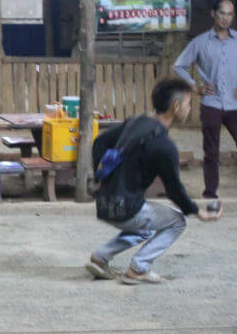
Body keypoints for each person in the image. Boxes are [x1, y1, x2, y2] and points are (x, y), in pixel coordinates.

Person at [86, 77, 222, 285]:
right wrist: (197, 212)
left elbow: (99, 142)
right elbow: (174, 189)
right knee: (177, 221)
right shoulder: (163, 145)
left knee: (147, 224)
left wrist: (99, 176)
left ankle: (101, 256)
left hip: (104, 203)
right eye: (187, 104)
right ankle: (139, 268)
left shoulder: (135, 122)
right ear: (175, 106)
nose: (188, 108)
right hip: (127, 210)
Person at [174, 0, 237, 199]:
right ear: (214, 14)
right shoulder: (201, 42)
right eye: (222, 13)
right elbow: (179, 65)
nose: (226, 18)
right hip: (211, 104)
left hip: (236, 104)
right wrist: (195, 87)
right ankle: (210, 192)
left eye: (230, 14)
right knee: (211, 151)